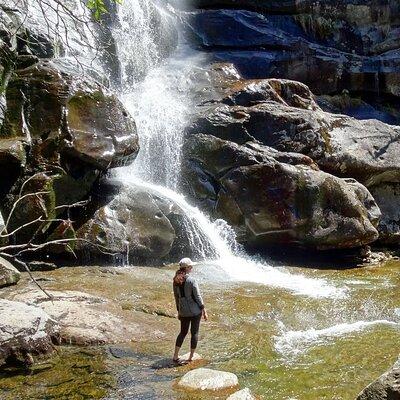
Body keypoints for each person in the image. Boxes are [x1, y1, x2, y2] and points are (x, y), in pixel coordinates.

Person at [172, 257, 208, 364]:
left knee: (182, 333)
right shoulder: (192, 280)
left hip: (183, 311)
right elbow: (197, 296)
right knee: (194, 333)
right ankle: (191, 357)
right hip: (194, 311)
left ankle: (175, 355)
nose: (192, 268)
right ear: (187, 268)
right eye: (190, 266)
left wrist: (179, 311)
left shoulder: (175, 281)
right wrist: (204, 310)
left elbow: (176, 297)